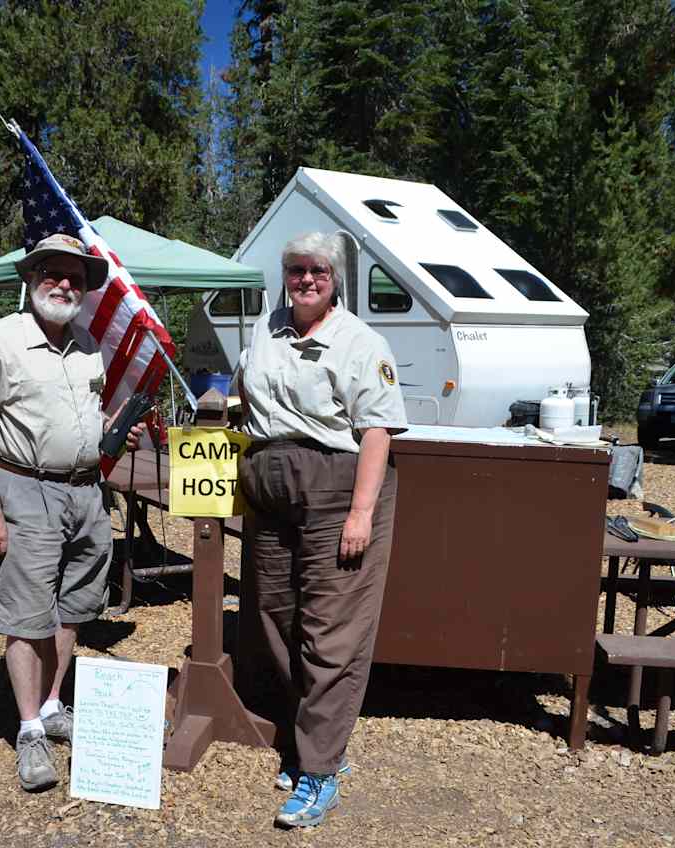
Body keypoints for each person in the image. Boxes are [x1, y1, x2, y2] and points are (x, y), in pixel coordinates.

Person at [0, 232, 142, 792]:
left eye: (74, 278)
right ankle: (29, 729)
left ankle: (53, 704)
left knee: (75, 606)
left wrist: (117, 429)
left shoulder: (86, 345)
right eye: (52, 274)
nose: (63, 284)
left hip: (86, 493)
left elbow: (87, 426)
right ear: (31, 280)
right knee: (28, 612)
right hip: (26, 490)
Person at [235, 232, 407, 828]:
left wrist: (361, 513)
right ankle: (311, 739)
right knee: (276, 618)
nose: (306, 279)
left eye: (318, 271)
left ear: (335, 278)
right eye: (296, 269)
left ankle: (321, 771)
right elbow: (245, 392)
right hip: (269, 486)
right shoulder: (266, 326)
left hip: (337, 488)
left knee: (331, 631)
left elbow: (378, 431)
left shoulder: (360, 340)